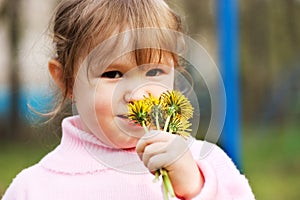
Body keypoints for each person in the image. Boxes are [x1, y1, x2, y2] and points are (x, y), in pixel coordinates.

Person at [3, 0, 255, 199]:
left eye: (154, 72)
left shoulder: (208, 166)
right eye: (113, 74)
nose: (137, 95)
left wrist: (193, 188)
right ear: (66, 80)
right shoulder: (35, 189)